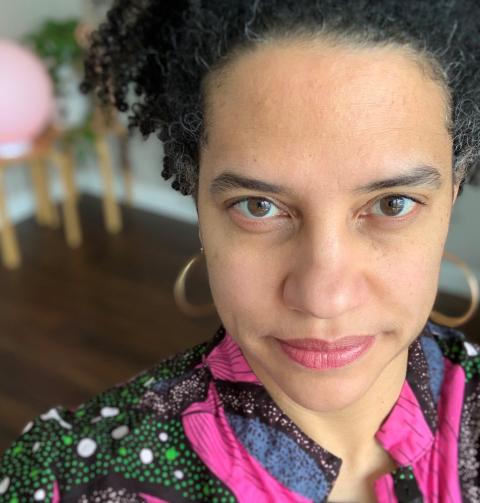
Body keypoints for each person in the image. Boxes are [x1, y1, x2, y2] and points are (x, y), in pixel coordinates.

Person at [1, 0, 480, 501]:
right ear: (198, 199)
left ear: (451, 193)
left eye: (392, 203)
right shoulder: (64, 483)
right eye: (257, 206)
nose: (324, 297)